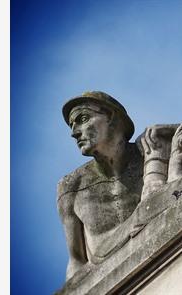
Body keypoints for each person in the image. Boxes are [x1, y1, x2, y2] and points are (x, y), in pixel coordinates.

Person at [57, 91, 143, 280]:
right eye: (72, 125)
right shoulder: (71, 186)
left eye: (83, 118)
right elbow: (76, 262)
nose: (74, 132)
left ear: (111, 116)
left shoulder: (151, 156)